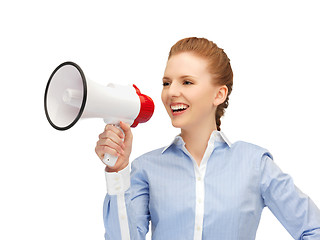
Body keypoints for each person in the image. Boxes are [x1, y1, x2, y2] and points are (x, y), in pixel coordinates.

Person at [95, 37, 320, 240]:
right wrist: (118, 171)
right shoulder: (146, 168)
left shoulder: (255, 164)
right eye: (166, 82)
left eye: (187, 82)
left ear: (219, 94)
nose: (171, 92)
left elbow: (313, 229)